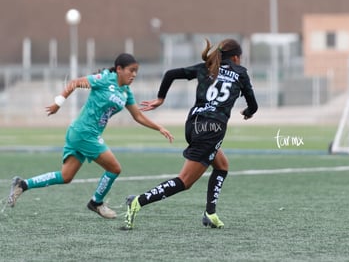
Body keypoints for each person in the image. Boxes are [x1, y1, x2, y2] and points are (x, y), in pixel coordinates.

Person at [8, 53, 174, 219]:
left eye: (136, 71)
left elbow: (137, 116)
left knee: (66, 176)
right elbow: (74, 83)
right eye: (131, 70)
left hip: (81, 133)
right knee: (114, 168)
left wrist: (158, 127)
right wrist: (58, 103)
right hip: (84, 133)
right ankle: (96, 203)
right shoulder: (104, 79)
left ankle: (22, 184)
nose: (134, 74)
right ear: (119, 69)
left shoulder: (126, 92)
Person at [122, 38, 258, 230]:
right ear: (236, 57)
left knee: (222, 166)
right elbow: (253, 105)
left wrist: (160, 98)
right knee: (185, 181)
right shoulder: (240, 73)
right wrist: (248, 112)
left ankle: (210, 213)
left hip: (193, 125)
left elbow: (170, 74)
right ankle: (138, 201)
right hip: (212, 130)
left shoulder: (206, 67)